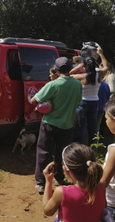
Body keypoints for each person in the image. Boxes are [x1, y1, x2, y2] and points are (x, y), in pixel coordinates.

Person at [31, 57, 82, 193]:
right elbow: (78, 103)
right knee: (61, 152)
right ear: (70, 69)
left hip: (50, 123)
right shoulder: (77, 84)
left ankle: (41, 182)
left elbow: (33, 100)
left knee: (44, 152)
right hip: (67, 124)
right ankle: (59, 177)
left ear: (56, 70)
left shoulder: (53, 85)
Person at [43, 143, 106, 222]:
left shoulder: (62, 192)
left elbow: (47, 211)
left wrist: (48, 182)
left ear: (66, 170)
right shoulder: (101, 187)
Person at [72, 49, 108, 145]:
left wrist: (80, 66)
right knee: (93, 128)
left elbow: (68, 74)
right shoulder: (99, 75)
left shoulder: (83, 76)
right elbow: (106, 67)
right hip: (95, 102)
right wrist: (101, 53)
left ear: (85, 66)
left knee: (80, 128)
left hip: (83, 103)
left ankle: (80, 148)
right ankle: (93, 147)